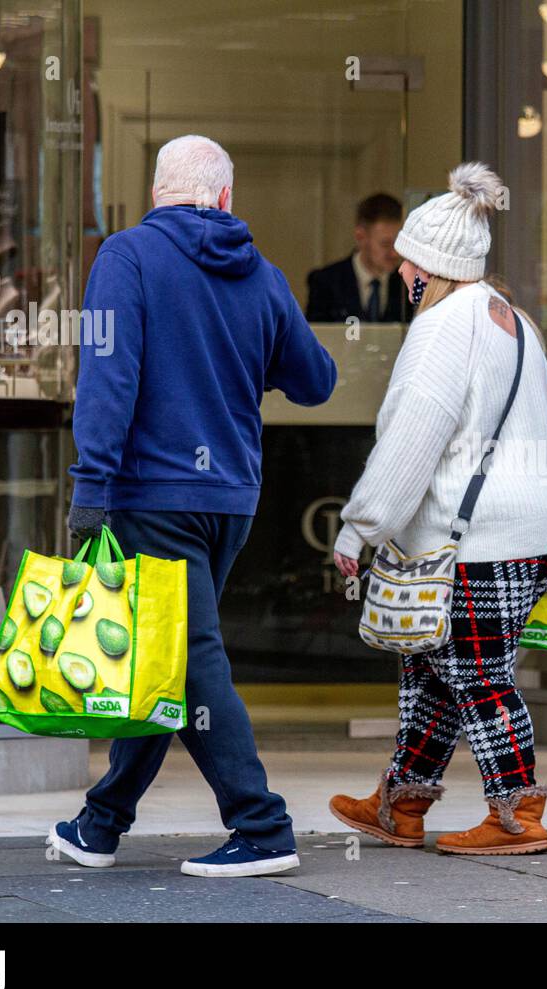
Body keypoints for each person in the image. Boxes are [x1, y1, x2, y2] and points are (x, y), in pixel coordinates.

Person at [48, 135, 337, 878]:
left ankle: (262, 824)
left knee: (191, 659)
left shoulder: (127, 256)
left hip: (155, 496)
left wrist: (90, 489)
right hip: (231, 502)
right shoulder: (263, 273)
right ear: (226, 198)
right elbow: (316, 380)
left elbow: (107, 380)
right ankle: (101, 821)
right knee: (167, 656)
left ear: (156, 193)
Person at [328, 163, 547, 856]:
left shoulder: (440, 328)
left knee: (478, 674)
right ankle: (401, 802)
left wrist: (360, 526)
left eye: (409, 261)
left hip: (484, 540)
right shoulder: (512, 319)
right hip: (538, 529)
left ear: (433, 266)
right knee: (435, 663)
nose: (401, 270)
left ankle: (517, 812)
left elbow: (412, 437)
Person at [305, 193, 406, 322]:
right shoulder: (326, 282)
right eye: (385, 244)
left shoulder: (406, 284)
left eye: (399, 244)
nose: (395, 253)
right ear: (361, 237)